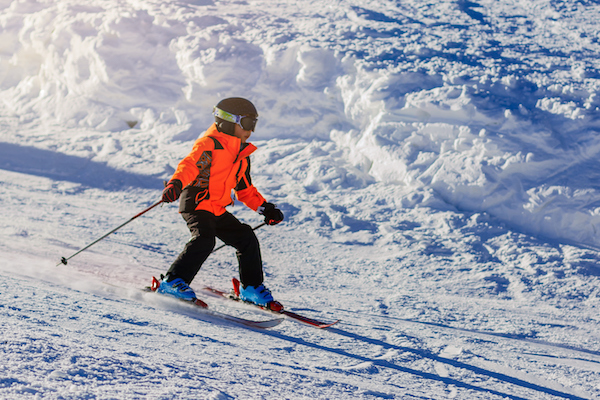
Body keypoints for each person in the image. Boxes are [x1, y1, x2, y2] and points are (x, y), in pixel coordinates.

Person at [157, 97, 284, 309]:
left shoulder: (241, 155)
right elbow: (188, 166)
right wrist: (175, 184)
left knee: (246, 238)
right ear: (227, 121)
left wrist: (265, 208)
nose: (251, 131)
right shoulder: (210, 145)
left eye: (254, 125)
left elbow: (244, 189)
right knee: (205, 240)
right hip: (196, 202)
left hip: (216, 207)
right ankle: (172, 281)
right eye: (247, 124)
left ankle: (251, 288)